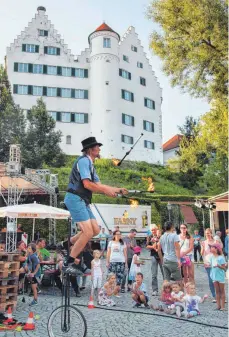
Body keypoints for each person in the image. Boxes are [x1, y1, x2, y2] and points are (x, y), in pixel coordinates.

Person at [62, 137, 128, 274]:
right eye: (97, 147)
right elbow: (87, 184)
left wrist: (117, 189)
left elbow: (99, 185)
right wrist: (106, 191)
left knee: (95, 230)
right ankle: (68, 262)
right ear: (91, 149)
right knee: (87, 232)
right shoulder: (84, 161)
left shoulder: (91, 164)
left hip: (83, 200)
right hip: (75, 198)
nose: (99, 149)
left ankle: (66, 243)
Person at [106, 230, 127, 295]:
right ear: (114, 235)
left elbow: (125, 253)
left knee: (119, 276)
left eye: (119, 234)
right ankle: (110, 290)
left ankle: (116, 291)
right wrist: (107, 261)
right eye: (117, 234)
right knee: (111, 276)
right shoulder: (111, 242)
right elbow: (108, 253)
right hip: (112, 261)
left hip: (121, 262)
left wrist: (126, 263)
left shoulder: (123, 243)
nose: (118, 235)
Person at [146, 224, 164, 296]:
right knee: (154, 274)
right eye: (152, 230)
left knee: (164, 273)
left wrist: (159, 239)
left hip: (162, 256)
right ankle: (155, 290)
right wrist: (152, 247)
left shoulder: (162, 236)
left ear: (157, 229)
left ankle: (166, 289)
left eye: (154, 229)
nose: (153, 231)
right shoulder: (149, 237)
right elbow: (147, 246)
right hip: (153, 255)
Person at [209, 243, 226, 311]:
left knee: (222, 291)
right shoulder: (211, 257)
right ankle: (218, 306)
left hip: (220, 276)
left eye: (213, 247)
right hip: (214, 276)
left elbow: (224, 268)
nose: (211, 248)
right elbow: (211, 266)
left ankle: (223, 307)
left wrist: (219, 266)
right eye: (211, 247)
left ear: (217, 249)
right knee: (217, 291)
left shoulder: (221, 257)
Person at [201, 228, 216, 302]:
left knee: (216, 279)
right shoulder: (204, 242)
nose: (207, 234)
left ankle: (219, 295)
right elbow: (201, 253)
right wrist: (203, 247)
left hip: (215, 263)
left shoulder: (215, 242)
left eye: (208, 233)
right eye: (206, 233)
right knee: (211, 280)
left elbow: (219, 251)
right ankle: (214, 296)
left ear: (211, 233)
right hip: (207, 263)